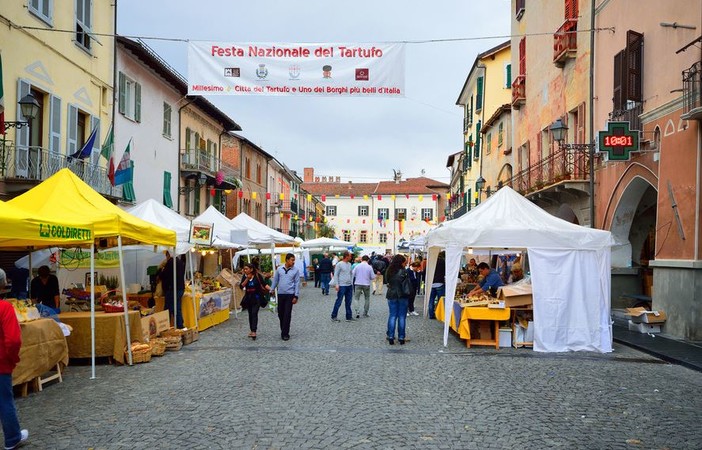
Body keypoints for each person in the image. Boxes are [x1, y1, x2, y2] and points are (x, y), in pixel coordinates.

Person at [0, 269, 30, 449]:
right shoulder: (5, 308)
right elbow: (13, 340)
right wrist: (12, 359)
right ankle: (12, 438)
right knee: (5, 401)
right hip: (1, 362)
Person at [269, 253, 300, 341]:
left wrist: (296, 296)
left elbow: (297, 283)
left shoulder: (296, 270)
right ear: (286, 260)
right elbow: (275, 280)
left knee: (287, 314)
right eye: (292, 260)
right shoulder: (279, 269)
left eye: (294, 260)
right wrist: (271, 289)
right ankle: (283, 328)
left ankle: (285, 333)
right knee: (280, 313)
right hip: (280, 294)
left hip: (290, 294)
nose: (293, 262)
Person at [239, 263, 269, 340]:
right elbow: (241, 286)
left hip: (257, 297)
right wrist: (247, 279)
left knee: (254, 313)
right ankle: (252, 330)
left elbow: (264, 284)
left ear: (251, 269)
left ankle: (254, 331)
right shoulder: (244, 276)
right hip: (248, 298)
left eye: (246, 269)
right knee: (250, 314)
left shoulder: (257, 276)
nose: (245, 270)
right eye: (244, 269)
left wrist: (271, 289)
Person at [384, 254, 410, 345]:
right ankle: (401, 337)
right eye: (404, 262)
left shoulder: (389, 270)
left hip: (391, 294)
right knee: (402, 317)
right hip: (402, 295)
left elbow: (386, 281)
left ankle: (391, 336)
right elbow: (407, 284)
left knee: (392, 315)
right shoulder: (404, 272)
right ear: (401, 262)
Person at [160, 253, 185, 329]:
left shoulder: (170, 262)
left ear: (168, 255)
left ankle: (165, 326)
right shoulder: (180, 262)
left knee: (168, 308)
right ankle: (180, 325)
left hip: (172, 289)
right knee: (177, 307)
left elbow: (163, 275)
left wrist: (161, 269)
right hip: (180, 288)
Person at [330, 252, 354, 322]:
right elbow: (336, 275)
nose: (351, 257)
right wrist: (337, 284)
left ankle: (348, 317)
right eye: (350, 256)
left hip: (349, 285)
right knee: (339, 301)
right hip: (342, 285)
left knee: (348, 301)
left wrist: (351, 282)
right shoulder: (339, 264)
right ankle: (334, 316)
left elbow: (350, 274)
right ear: (346, 256)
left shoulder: (349, 264)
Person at [428, 253, 446, 319]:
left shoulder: (430, 262)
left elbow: (425, 272)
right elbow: (445, 272)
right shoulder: (443, 262)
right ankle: (439, 314)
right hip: (440, 283)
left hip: (431, 283)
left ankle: (431, 314)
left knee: (431, 300)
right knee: (440, 300)